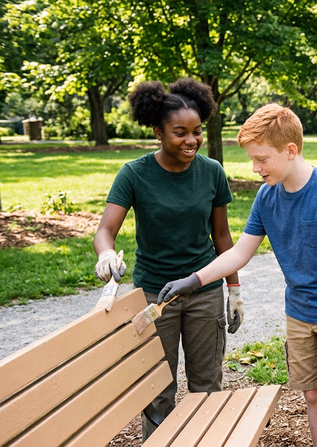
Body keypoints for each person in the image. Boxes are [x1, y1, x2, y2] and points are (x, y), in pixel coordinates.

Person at [158, 104, 317, 446]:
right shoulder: (267, 196)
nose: (255, 168)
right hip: (297, 313)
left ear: (290, 150)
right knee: (312, 397)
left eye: (262, 159)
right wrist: (194, 280)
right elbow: (240, 252)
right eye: (252, 160)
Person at [92, 78, 242, 440]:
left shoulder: (211, 171)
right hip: (154, 296)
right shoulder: (134, 173)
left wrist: (233, 289)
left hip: (204, 291)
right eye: (180, 132)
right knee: (158, 388)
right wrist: (106, 254)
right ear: (158, 131)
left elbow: (222, 236)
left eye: (197, 131)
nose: (191, 140)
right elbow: (105, 229)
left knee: (207, 384)